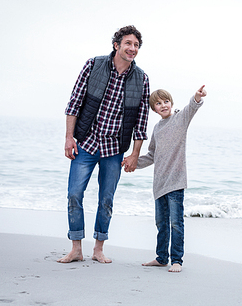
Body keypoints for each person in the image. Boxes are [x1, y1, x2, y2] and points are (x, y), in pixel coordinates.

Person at [57, 25, 150, 264]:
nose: (132, 49)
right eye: (128, 43)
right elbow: (74, 103)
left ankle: (98, 249)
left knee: (106, 199)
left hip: (114, 150)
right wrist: (69, 138)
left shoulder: (142, 79)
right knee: (74, 194)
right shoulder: (93, 65)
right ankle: (76, 247)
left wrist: (134, 154)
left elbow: (141, 121)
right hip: (87, 143)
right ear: (116, 45)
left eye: (136, 45)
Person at [122, 85, 207, 272]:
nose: (163, 105)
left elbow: (191, 108)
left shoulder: (180, 119)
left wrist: (197, 97)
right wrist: (132, 162)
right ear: (154, 109)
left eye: (166, 101)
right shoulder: (157, 128)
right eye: (158, 104)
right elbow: (152, 155)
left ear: (171, 103)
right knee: (161, 224)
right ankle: (161, 258)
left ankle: (177, 260)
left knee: (176, 223)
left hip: (176, 182)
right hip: (159, 184)